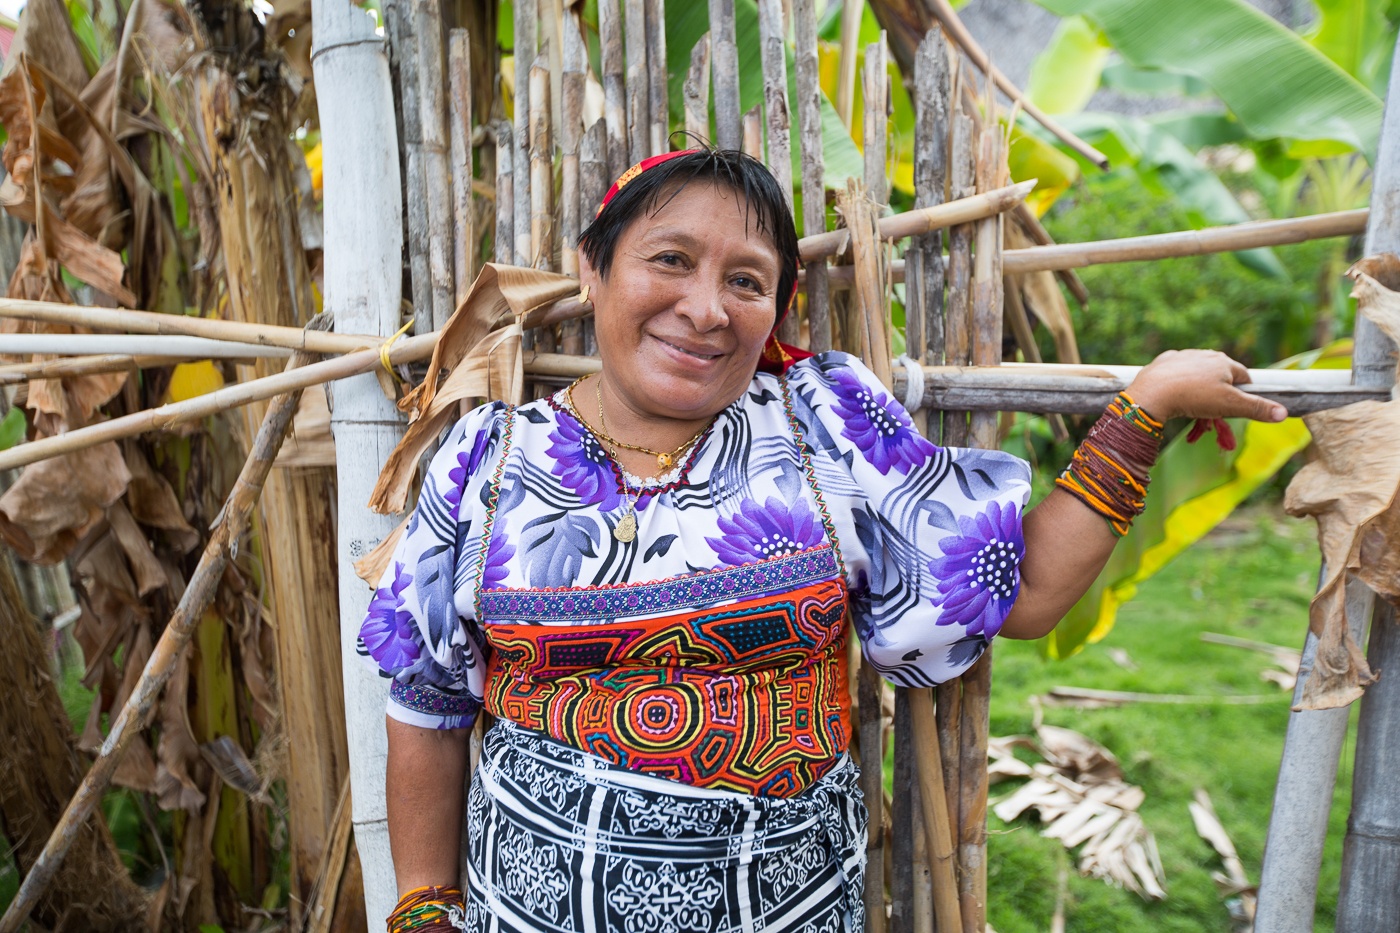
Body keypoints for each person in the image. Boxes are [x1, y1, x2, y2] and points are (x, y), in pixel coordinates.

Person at [358, 148, 1287, 933]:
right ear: (593, 269)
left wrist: (1145, 409)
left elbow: (1028, 591)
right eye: (670, 259)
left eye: (746, 281)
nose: (707, 307)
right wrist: (424, 911)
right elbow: (429, 710)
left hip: (791, 905)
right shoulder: (486, 460)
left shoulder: (822, 430)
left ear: (777, 311)